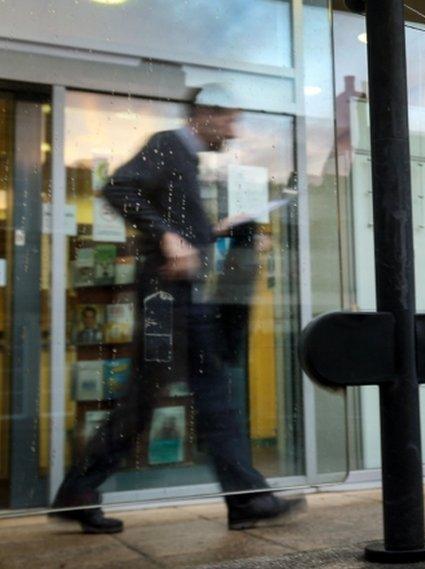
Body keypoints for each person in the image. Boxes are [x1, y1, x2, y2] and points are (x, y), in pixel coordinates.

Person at [50, 85, 304, 534]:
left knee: (180, 396)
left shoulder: (186, 161)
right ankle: (245, 498)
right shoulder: (168, 145)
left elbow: (182, 223)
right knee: (188, 395)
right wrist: (166, 235)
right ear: (204, 115)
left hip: (179, 298)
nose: (233, 131)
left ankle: (81, 490)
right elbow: (118, 188)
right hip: (164, 297)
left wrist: (217, 229)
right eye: (228, 120)